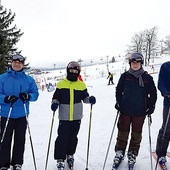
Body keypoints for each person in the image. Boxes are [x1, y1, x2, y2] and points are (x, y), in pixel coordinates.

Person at [113, 52, 157, 169]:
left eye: (138, 62)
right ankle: (119, 152)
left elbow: (153, 93)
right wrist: (118, 102)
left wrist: (151, 106)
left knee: (136, 135)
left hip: (140, 112)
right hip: (125, 110)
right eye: (133, 62)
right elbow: (118, 90)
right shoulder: (125, 76)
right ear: (130, 63)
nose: (135, 64)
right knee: (122, 133)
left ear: (141, 63)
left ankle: (132, 154)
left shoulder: (147, 78)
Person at [51, 61, 96, 170]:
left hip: (76, 117)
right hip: (64, 117)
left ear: (78, 72)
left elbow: (85, 98)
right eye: (71, 70)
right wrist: (55, 103)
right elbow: (56, 97)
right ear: (68, 71)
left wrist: (89, 99)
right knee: (62, 138)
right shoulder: (61, 84)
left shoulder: (81, 85)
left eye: (75, 71)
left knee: (73, 138)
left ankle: (70, 154)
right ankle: (60, 159)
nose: (73, 72)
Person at [0, 54, 39, 170]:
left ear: (22, 64)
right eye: (15, 62)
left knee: (20, 141)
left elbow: (35, 94)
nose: (17, 64)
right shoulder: (2, 78)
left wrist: (28, 96)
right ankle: (3, 164)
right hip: (6, 114)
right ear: (11, 63)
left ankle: (17, 163)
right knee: (5, 141)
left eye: (19, 62)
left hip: (22, 114)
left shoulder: (28, 79)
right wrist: (5, 99)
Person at [155, 61, 170, 168]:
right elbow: (161, 83)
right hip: (169, 104)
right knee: (167, 129)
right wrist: (167, 93)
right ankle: (161, 154)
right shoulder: (165, 66)